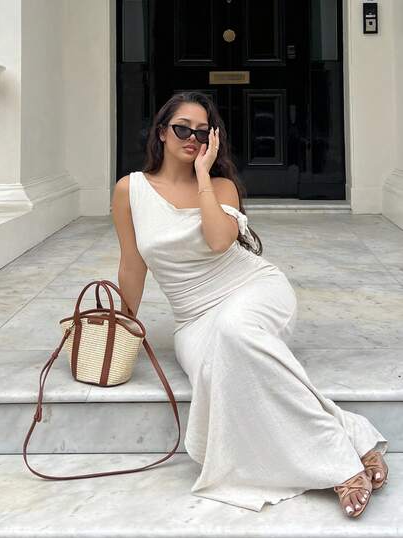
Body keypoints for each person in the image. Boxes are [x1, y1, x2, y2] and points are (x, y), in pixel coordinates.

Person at [111, 90, 389, 516]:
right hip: (193, 319)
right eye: (182, 129)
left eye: (202, 132)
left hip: (252, 289)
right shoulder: (130, 189)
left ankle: (337, 463)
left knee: (235, 331)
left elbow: (219, 241)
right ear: (162, 132)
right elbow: (132, 264)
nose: (192, 138)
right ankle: (353, 433)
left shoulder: (220, 186)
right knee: (219, 371)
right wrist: (122, 325)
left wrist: (203, 176)